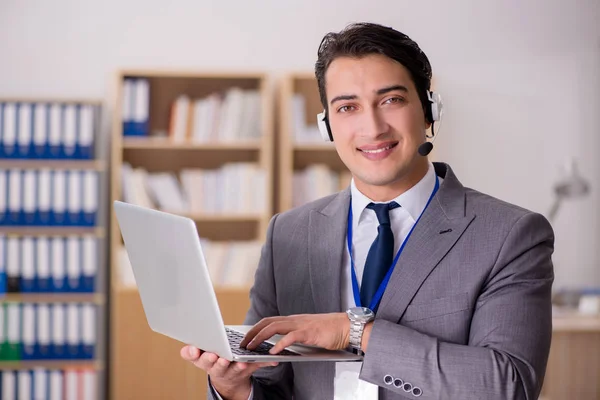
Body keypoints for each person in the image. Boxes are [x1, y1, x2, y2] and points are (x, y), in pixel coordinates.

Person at [181, 22, 555, 400]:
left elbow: (511, 387)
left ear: (429, 111)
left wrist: (355, 333)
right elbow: (269, 384)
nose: (372, 128)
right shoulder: (289, 234)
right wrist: (232, 386)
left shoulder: (509, 235)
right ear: (327, 126)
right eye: (347, 107)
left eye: (391, 100)